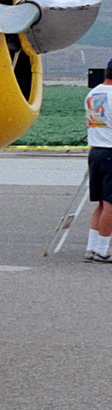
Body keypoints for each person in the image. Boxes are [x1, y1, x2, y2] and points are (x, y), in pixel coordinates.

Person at [88, 60, 112, 261]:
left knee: (101, 203)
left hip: (96, 150)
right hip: (111, 151)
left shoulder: (93, 93)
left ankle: (92, 246)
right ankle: (103, 250)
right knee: (111, 204)